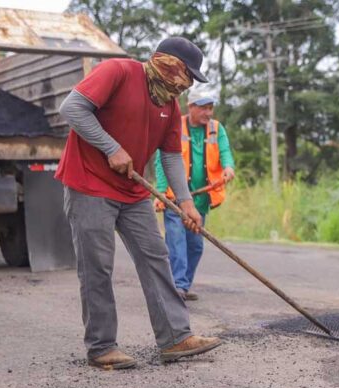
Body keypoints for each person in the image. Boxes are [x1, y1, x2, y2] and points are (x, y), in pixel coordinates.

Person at [55, 36, 223, 370]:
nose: (186, 83)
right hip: (89, 183)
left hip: (133, 192)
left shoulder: (169, 105)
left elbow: (172, 156)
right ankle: (102, 346)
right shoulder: (117, 71)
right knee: (97, 265)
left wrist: (186, 202)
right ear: (167, 63)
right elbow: (71, 108)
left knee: (155, 257)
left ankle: (175, 337)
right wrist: (110, 147)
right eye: (186, 74)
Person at [154, 91, 235, 301]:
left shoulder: (217, 129)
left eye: (211, 108)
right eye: (203, 108)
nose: (208, 113)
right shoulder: (175, 125)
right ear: (190, 106)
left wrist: (228, 167)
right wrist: (162, 190)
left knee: (195, 245)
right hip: (175, 198)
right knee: (176, 242)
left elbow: (225, 151)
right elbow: (161, 159)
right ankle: (178, 286)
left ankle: (183, 285)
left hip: (200, 199)